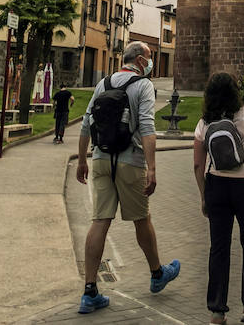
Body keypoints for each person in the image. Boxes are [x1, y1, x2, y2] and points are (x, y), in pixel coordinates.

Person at [74, 42, 179, 314]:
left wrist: (83, 159)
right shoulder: (143, 85)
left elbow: (86, 123)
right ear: (141, 61)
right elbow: (147, 127)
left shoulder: (103, 83)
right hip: (130, 161)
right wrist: (152, 168)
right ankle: (157, 274)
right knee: (141, 219)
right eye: (150, 57)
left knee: (100, 221)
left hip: (100, 158)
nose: (152, 62)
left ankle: (89, 291)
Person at [193, 63, 244, 325]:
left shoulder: (204, 123)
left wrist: (204, 197)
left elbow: (197, 164)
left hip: (216, 184)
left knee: (219, 248)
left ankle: (217, 312)